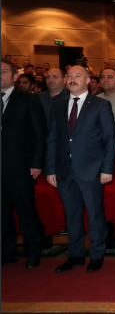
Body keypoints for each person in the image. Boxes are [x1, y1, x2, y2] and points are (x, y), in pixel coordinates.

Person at [45, 66, 115, 273]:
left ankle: (96, 255)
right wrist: (50, 170)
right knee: (72, 216)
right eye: (69, 76)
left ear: (88, 81)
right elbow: (51, 140)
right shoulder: (57, 106)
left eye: (78, 76)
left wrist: (107, 168)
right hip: (64, 170)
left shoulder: (100, 105)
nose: (72, 79)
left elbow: (109, 139)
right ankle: (75, 255)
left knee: (95, 215)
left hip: (92, 170)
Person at [1, 59, 47, 268]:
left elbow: (39, 133)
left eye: (3, 72)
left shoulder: (28, 99)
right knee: (2, 214)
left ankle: (33, 252)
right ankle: (6, 252)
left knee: (26, 210)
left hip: (20, 166)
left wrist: (37, 162)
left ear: (15, 77)